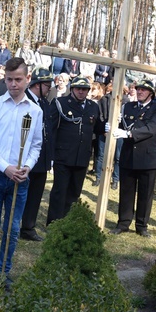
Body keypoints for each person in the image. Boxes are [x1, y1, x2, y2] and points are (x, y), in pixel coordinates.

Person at [0, 57, 42, 282]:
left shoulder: (35, 111)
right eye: (9, 80)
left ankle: (3, 272)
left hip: (20, 180)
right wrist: (5, 167)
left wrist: (27, 166)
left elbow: (36, 145)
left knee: (13, 228)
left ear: (28, 79)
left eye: (18, 79)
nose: (13, 84)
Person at [110, 80, 156, 237]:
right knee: (126, 192)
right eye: (138, 89)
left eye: (144, 90)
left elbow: (151, 129)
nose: (140, 91)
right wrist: (112, 126)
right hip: (128, 155)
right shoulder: (129, 106)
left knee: (145, 194)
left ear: (151, 93)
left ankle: (142, 226)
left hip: (147, 157)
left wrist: (129, 134)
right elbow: (122, 125)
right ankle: (123, 223)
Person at [46, 76, 103, 225]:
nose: (81, 92)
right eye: (78, 88)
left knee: (74, 192)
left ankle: (67, 222)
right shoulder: (60, 103)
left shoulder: (93, 106)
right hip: (63, 155)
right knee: (60, 191)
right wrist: (50, 155)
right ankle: (54, 223)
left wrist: (107, 126)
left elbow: (97, 127)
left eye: (84, 89)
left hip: (82, 156)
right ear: (72, 89)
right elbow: (51, 129)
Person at [19, 68, 53, 242]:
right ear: (37, 85)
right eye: (47, 85)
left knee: (35, 194)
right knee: (23, 193)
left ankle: (28, 226)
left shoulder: (44, 103)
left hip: (42, 157)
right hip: (27, 158)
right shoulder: (25, 102)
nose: (49, 89)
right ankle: (19, 224)